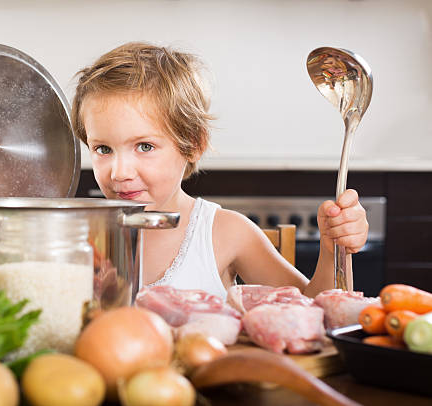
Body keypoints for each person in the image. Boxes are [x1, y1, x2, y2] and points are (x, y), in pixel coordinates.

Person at [71, 42, 369, 299]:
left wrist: (333, 252)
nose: (120, 172)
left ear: (193, 144)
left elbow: (314, 310)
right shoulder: (77, 236)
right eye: (103, 149)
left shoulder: (225, 233)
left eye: (144, 147)